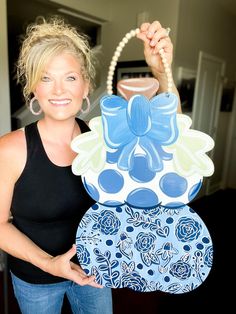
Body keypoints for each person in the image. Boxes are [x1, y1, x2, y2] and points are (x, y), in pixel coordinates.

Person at [0, 16, 181, 314]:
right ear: (34, 88)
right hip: (35, 278)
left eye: (70, 77)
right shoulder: (10, 149)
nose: (59, 90)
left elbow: (169, 134)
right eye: (46, 78)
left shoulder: (103, 136)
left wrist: (162, 72)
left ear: (85, 87)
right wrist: (48, 263)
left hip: (96, 270)